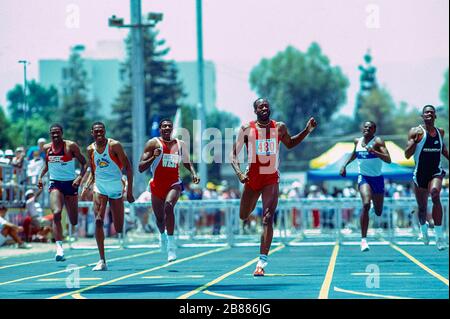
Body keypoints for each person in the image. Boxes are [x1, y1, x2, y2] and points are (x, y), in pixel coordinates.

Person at [230, 98, 317, 276]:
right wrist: (239, 173)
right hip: (252, 179)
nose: (264, 108)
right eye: (260, 106)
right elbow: (233, 155)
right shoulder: (247, 129)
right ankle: (250, 209)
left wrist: (307, 130)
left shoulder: (279, 127)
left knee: (267, 218)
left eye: (266, 106)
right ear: (255, 110)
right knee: (243, 214)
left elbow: (290, 143)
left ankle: (261, 262)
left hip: (271, 178)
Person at [138, 119, 200, 262]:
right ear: (160, 129)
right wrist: (153, 156)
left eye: (169, 126)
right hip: (156, 185)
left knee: (169, 206)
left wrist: (193, 173)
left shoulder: (179, 144)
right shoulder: (153, 143)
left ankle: (171, 246)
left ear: (172, 129)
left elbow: (186, 161)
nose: (167, 128)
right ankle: (162, 235)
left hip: (174, 183)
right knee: (160, 219)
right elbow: (140, 167)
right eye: (164, 126)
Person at [81, 122, 134, 271]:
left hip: (116, 185)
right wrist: (86, 186)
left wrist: (129, 191)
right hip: (100, 186)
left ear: (105, 131)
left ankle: (119, 225)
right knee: (98, 220)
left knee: (118, 227)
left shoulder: (114, 145)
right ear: (92, 133)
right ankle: (102, 260)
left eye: (101, 131)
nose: (99, 133)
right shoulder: (90, 149)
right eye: (96, 131)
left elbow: (128, 168)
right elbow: (93, 170)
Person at [37, 124, 87, 261]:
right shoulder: (46, 148)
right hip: (55, 183)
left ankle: (69, 233)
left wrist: (79, 177)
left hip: (71, 183)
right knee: (57, 213)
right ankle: (59, 248)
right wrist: (40, 177)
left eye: (57, 132)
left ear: (62, 133)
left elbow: (84, 163)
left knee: (74, 220)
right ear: (50, 134)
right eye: (52, 133)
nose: (55, 135)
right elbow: (47, 165)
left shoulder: (71, 146)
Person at [340, 121, 391, 252]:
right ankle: (363, 240)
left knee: (379, 212)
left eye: (370, 127)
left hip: (378, 179)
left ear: (374, 130)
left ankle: (375, 206)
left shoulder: (378, 141)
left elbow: (388, 159)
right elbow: (354, 154)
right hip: (364, 177)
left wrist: (373, 151)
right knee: (366, 204)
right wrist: (344, 165)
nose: (367, 129)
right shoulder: (357, 141)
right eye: (365, 127)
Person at [405, 105, 449, 250]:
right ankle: (423, 231)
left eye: (432, 112)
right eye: (426, 112)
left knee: (435, 194)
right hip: (420, 174)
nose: (429, 114)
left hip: (435, 171)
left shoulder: (440, 132)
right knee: (422, 208)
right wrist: (415, 142)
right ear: (422, 116)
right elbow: (407, 154)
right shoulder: (416, 132)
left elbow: (443, 150)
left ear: (435, 116)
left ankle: (439, 237)